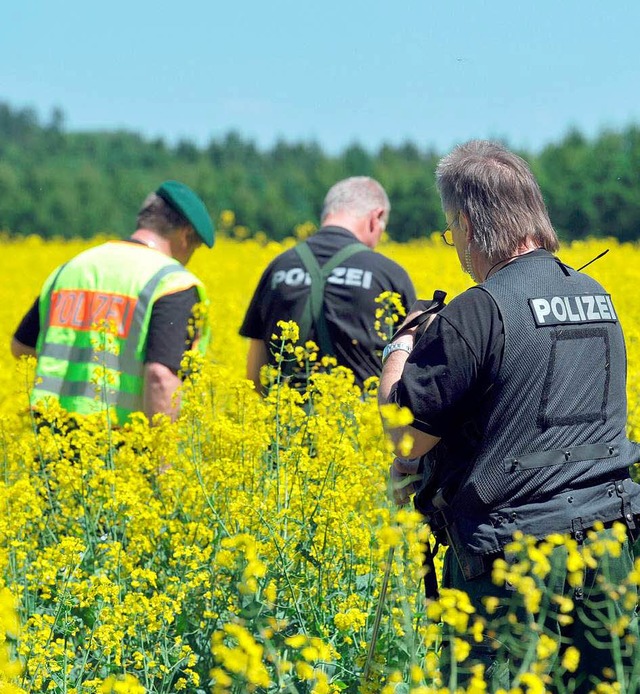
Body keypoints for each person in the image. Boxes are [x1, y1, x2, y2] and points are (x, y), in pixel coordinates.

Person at [378, 140, 640, 690]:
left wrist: (400, 348)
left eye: (452, 231)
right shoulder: (599, 297)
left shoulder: (478, 309)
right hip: (611, 548)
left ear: (470, 226)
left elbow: (404, 442)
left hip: (511, 563)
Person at [11, 180, 214, 425]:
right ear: (186, 235)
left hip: (51, 445)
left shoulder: (72, 269)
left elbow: (21, 347)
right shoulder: (171, 283)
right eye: (196, 246)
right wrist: (164, 460)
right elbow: (161, 377)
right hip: (120, 446)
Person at [240, 176, 416, 393]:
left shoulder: (279, 268)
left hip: (284, 420)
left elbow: (254, 373)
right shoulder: (388, 274)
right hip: (362, 422)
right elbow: (410, 367)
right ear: (376, 217)